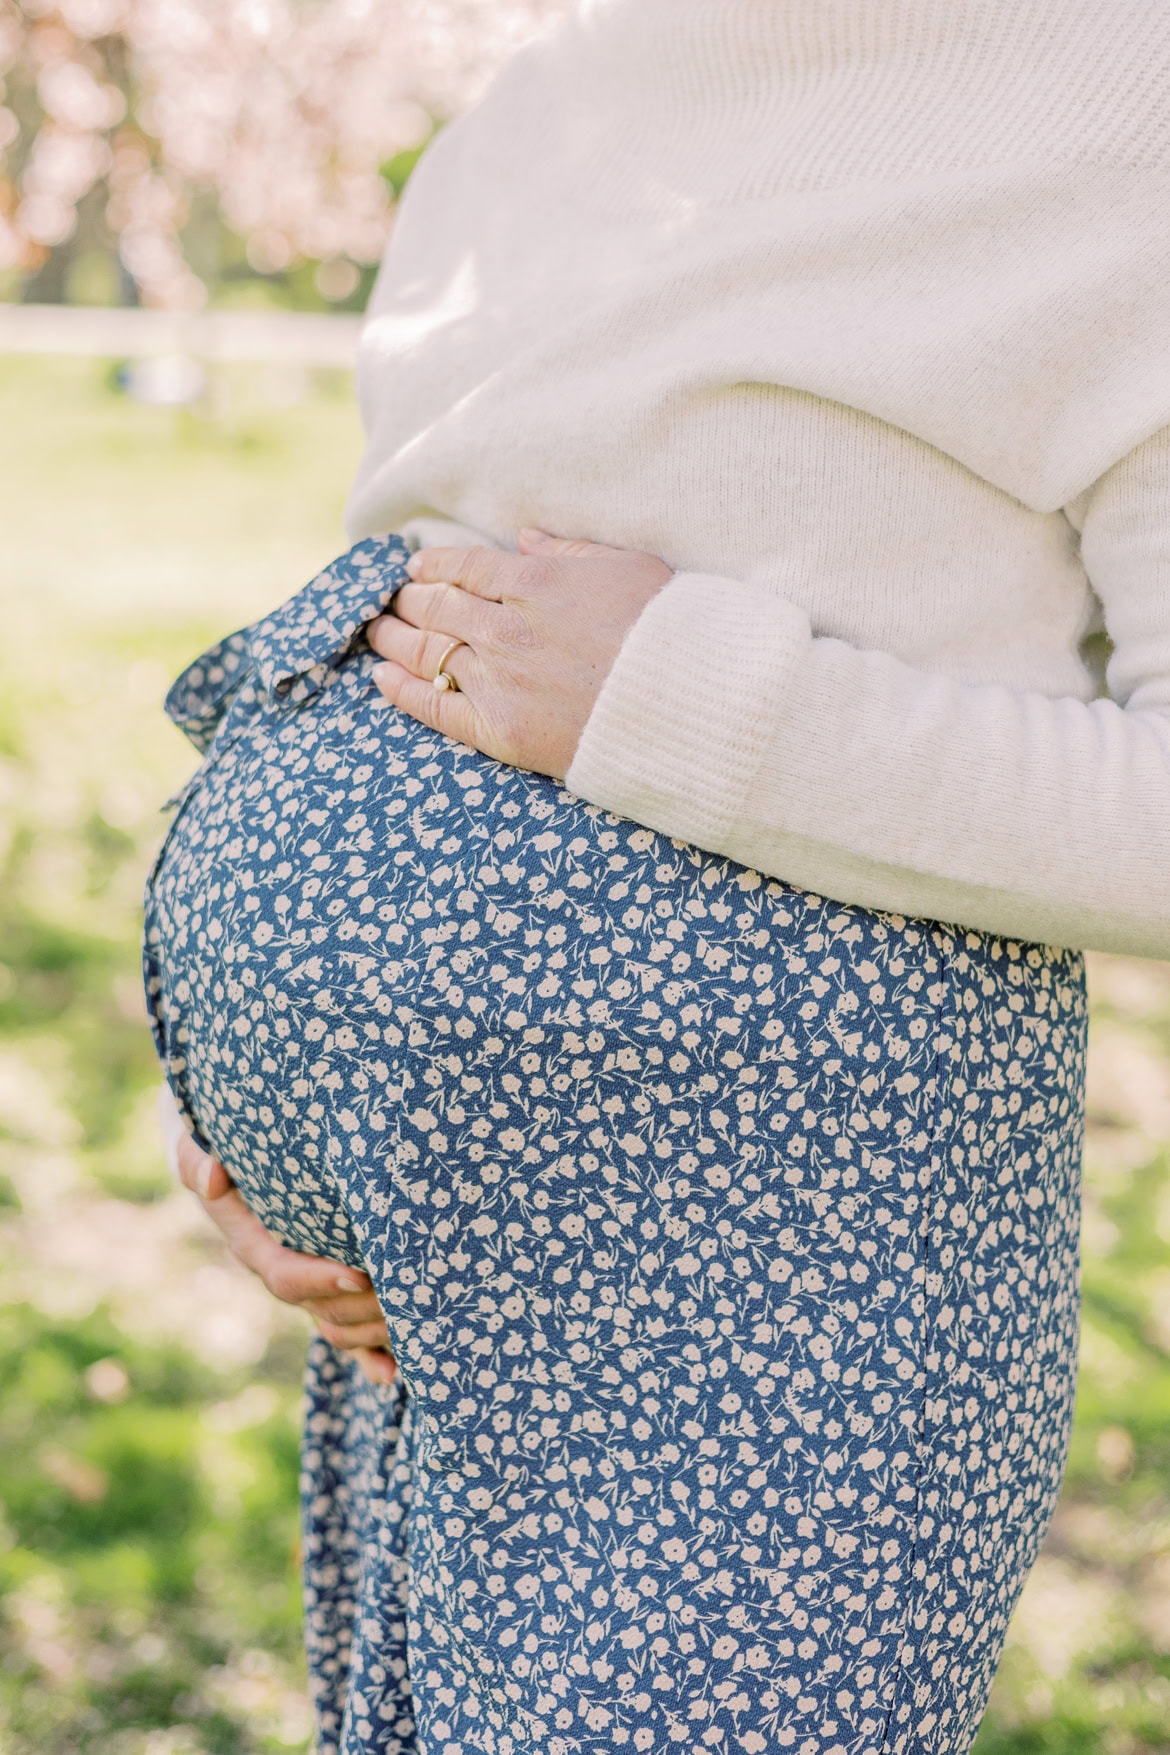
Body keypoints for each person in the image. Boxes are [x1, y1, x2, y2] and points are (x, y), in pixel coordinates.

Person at [149, 2, 1170, 1751]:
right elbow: (429, 595)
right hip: (407, 1275)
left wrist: (680, 702)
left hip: (777, 1274)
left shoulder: (1127, 109)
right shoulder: (530, 103)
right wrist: (266, 1099)